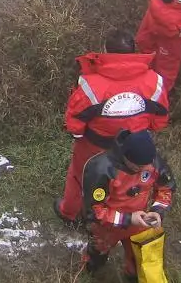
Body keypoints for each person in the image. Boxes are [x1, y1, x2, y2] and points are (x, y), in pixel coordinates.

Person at [54, 30, 169, 226]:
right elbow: (160, 119)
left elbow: (75, 121)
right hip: (135, 146)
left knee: (80, 176)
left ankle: (70, 213)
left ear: (106, 50)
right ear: (134, 51)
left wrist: (79, 135)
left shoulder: (90, 84)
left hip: (95, 145)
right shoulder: (155, 81)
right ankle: (122, 216)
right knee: (126, 182)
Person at [81, 130, 176, 281]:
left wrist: (157, 211)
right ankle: (92, 273)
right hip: (106, 226)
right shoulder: (101, 169)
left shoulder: (151, 162)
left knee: (138, 260)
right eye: (139, 167)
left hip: (139, 221)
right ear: (126, 157)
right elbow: (94, 211)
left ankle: (131, 276)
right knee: (97, 256)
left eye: (148, 165)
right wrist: (128, 218)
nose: (146, 170)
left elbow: (166, 188)